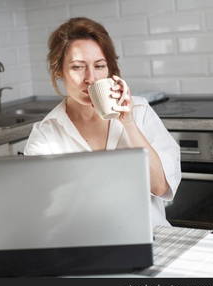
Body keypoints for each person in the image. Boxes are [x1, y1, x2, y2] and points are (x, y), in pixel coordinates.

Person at [24, 17, 181, 227]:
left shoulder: (140, 111)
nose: (91, 78)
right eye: (78, 67)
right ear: (59, 70)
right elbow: (42, 208)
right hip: (80, 241)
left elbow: (160, 187)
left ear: (110, 69)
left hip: (152, 237)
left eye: (99, 65)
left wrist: (128, 124)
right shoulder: (46, 134)